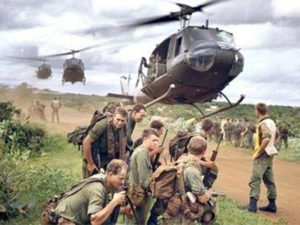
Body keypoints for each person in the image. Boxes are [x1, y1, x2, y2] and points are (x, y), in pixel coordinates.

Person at [163, 136, 218, 225]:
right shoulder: (192, 170)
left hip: (171, 206)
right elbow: (202, 198)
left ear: (188, 147)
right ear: (204, 151)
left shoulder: (181, 160)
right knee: (212, 204)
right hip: (181, 214)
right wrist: (209, 193)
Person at [55, 159, 127, 225]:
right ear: (111, 174)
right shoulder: (98, 188)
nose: (122, 182)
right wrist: (114, 202)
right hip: (65, 220)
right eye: (120, 178)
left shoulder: (102, 180)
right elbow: (95, 221)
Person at [246, 103, 278, 213]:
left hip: (262, 155)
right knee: (269, 181)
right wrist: (272, 146)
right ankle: (272, 204)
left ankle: (252, 205)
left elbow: (266, 139)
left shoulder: (263, 123)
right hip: (270, 154)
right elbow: (276, 135)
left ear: (257, 111)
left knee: (255, 180)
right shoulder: (271, 122)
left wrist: (258, 153)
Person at [128, 128, 163, 225]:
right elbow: (145, 181)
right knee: (138, 221)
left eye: (157, 140)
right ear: (145, 139)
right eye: (153, 140)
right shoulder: (142, 153)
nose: (156, 143)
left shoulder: (142, 151)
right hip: (140, 194)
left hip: (138, 192)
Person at [82, 107, 128, 178]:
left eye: (122, 121)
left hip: (107, 158)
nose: (120, 123)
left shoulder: (124, 127)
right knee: (90, 181)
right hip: (92, 157)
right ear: (113, 117)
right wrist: (90, 164)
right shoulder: (102, 125)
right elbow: (86, 142)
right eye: (118, 119)